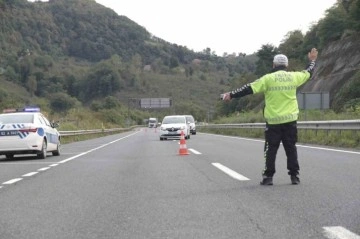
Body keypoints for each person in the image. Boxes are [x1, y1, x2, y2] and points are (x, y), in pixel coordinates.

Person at [221, 48, 318, 185]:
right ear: (287, 65)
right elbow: (309, 72)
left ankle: (268, 177)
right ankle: (294, 176)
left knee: (270, 149)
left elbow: (248, 88)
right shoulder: (294, 77)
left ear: (273, 65)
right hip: (290, 121)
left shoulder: (267, 79)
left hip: (273, 122)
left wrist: (231, 94)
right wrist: (312, 60)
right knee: (291, 149)